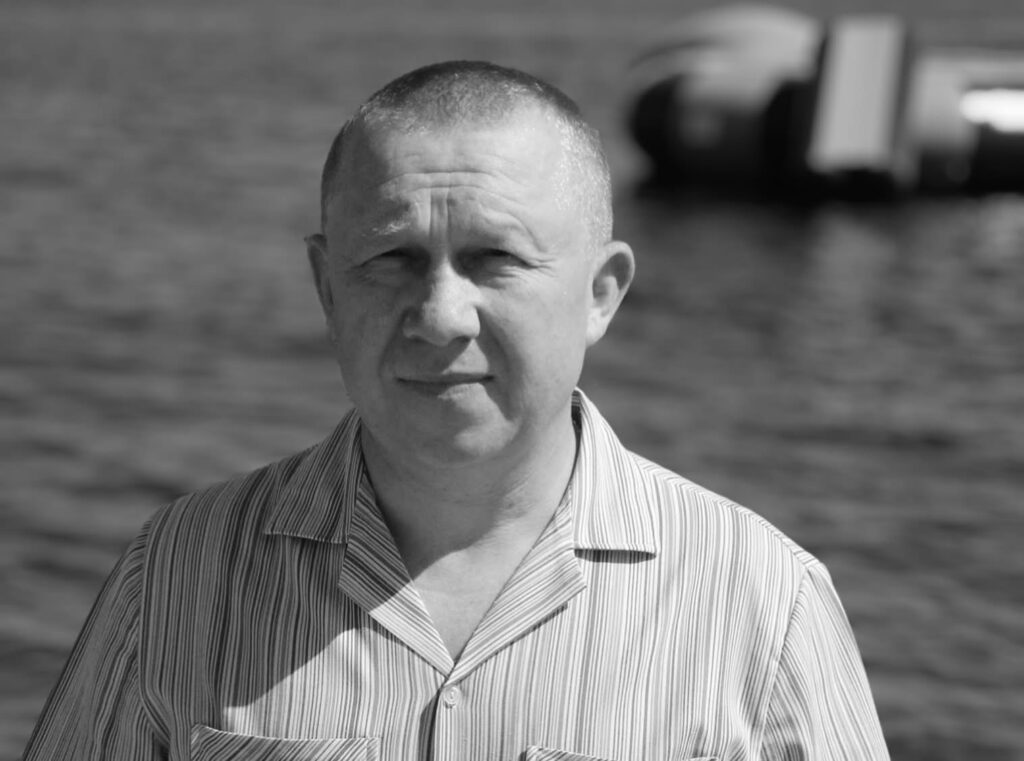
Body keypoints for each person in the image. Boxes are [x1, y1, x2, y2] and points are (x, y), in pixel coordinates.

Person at [24, 60, 890, 761]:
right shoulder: (177, 574)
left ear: (601, 292)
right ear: (327, 288)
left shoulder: (762, 602)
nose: (441, 316)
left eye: (495, 258)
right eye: (392, 257)